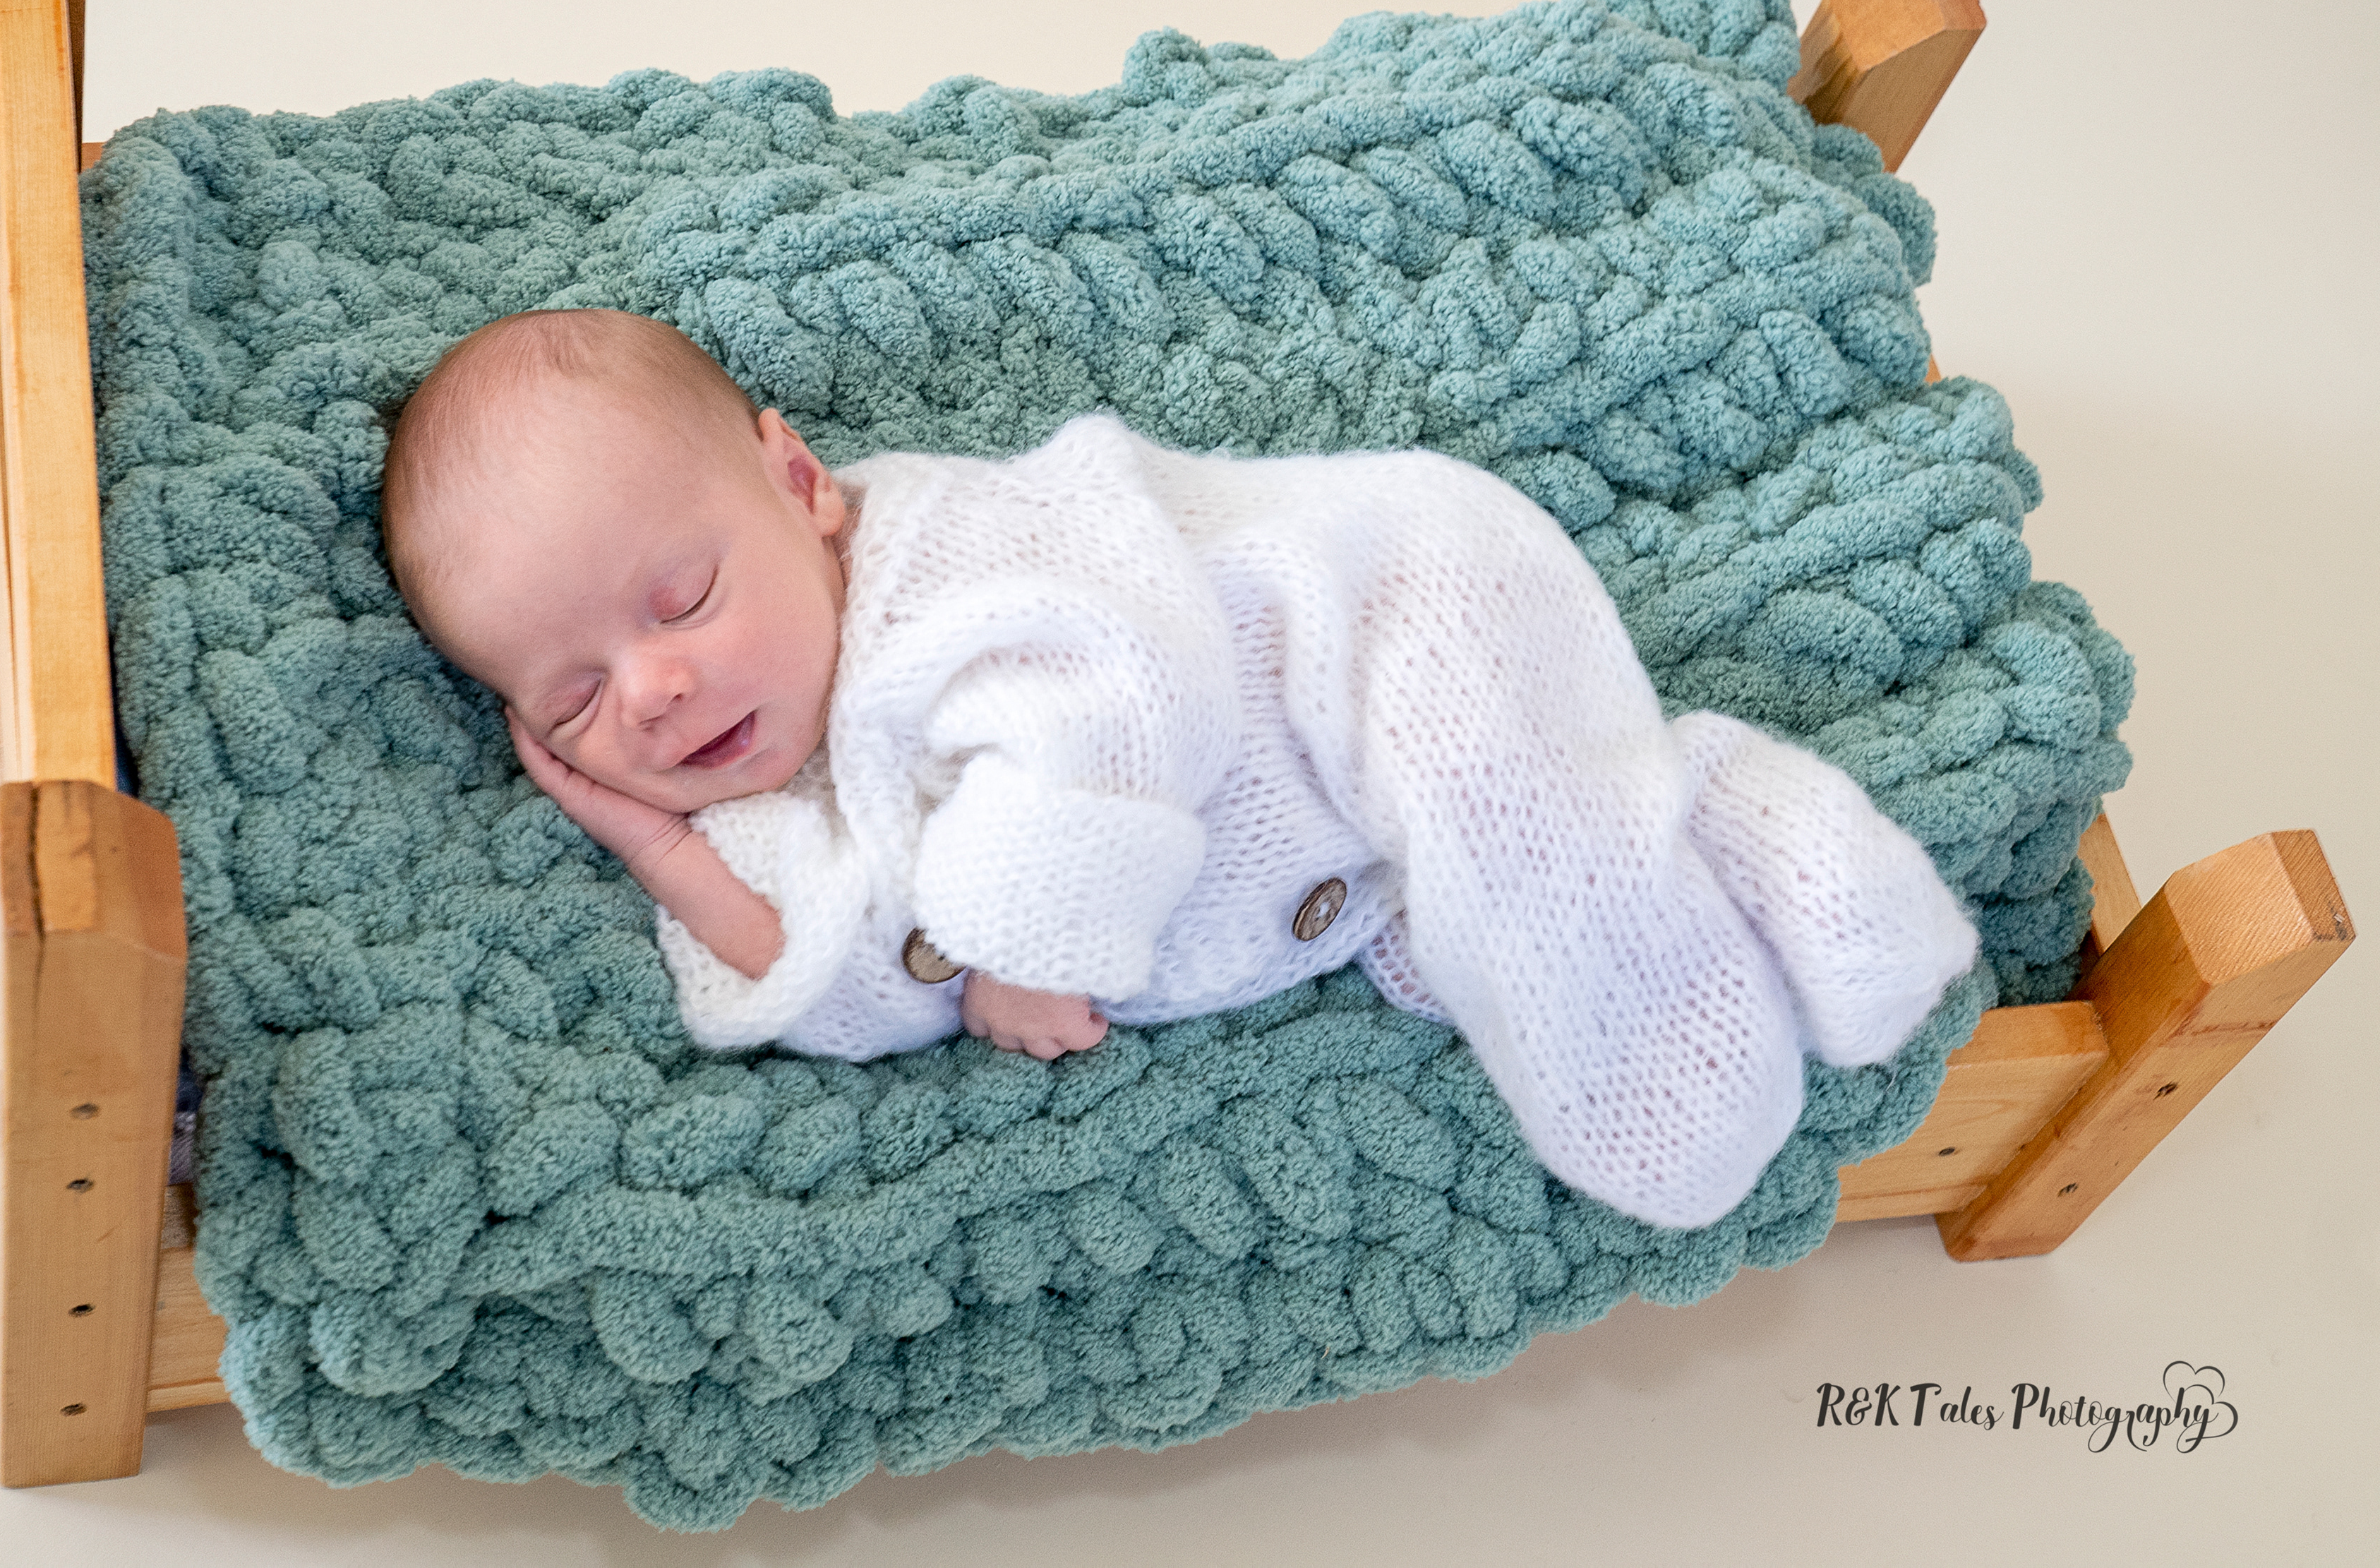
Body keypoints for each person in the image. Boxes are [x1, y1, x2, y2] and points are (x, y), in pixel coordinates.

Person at [380, 309, 1976, 1228]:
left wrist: (1025, 938)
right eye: (574, 701)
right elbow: (863, 980)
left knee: (1523, 863)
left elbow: (1117, 685)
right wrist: (667, 855)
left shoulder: (947, 559)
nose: (656, 691)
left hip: (1384, 612)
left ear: (798, 482)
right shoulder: (773, 781)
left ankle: (1674, 1063)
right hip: (1347, 846)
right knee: (1466, 902)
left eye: (680, 600)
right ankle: (1741, 829)